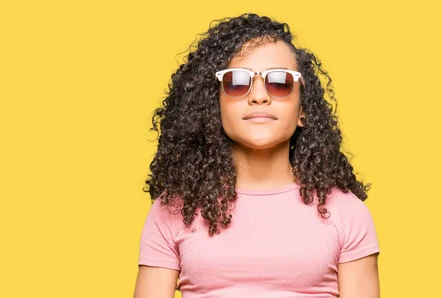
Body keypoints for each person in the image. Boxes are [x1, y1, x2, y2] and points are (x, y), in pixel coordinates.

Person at [134, 13, 380, 298]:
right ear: (215, 107)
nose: (259, 96)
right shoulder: (174, 210)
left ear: (303, 110)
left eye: (280, 82)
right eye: (238, 82)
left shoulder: (346, 212)